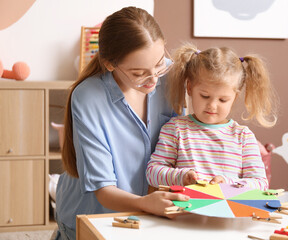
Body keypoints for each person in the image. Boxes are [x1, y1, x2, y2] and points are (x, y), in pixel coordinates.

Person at [55, 7, 189, 240]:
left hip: (147, 215)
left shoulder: (171, 76)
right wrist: (147, 204)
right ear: (109, 64)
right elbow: (104, 191)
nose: (154, 79)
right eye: (139, 73)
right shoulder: (89, 97)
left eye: (159, 64)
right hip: (93, 217)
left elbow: (179, 146)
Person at [146, 43, 278, 190]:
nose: (212, 105)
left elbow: (261, 183)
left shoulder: (243, 137)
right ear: (189, 88)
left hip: (231, 211)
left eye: (222, 100)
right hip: (183, 210)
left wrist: (229, 184)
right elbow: (152, 172)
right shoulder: (175, 129)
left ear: (235, 97)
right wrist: (181, 177)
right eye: (205, 96)